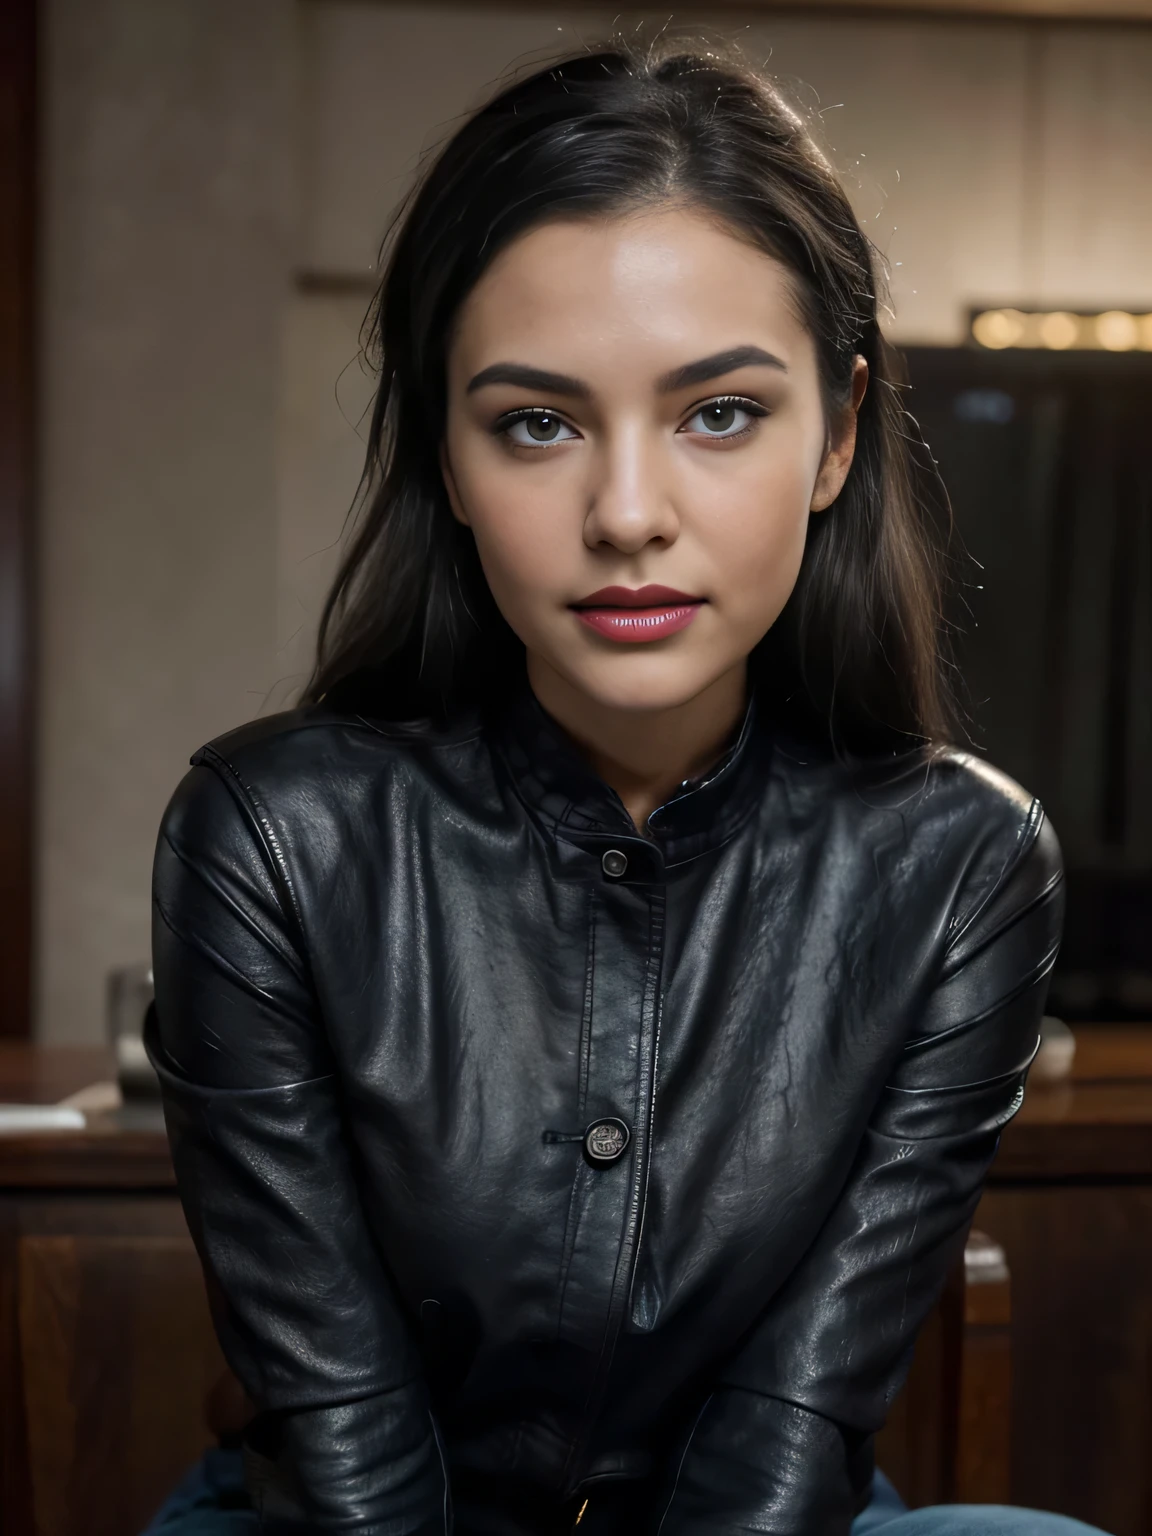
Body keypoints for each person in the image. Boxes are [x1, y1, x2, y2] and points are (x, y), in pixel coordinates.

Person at [143, 39, 1099, 1536]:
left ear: (838, 435)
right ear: (447, 461)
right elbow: (348, 1449)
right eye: (537, 422)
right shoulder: (272, 839)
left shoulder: (966, 865)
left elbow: (799, 1416)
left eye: (721, 412)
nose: (629, 514)